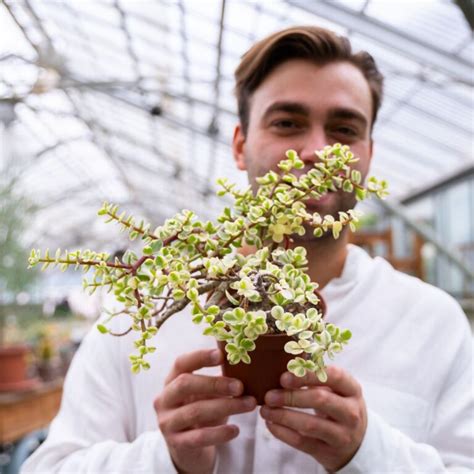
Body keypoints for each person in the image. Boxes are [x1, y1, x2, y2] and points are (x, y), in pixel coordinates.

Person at [22, 26, 473, 473]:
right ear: (240, 145)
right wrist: (166, 459)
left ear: (368, 155)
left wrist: (370, 454)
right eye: (287, 123)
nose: (316, 151)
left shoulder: (432, 324)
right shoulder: (139, 314)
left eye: (344, 128)